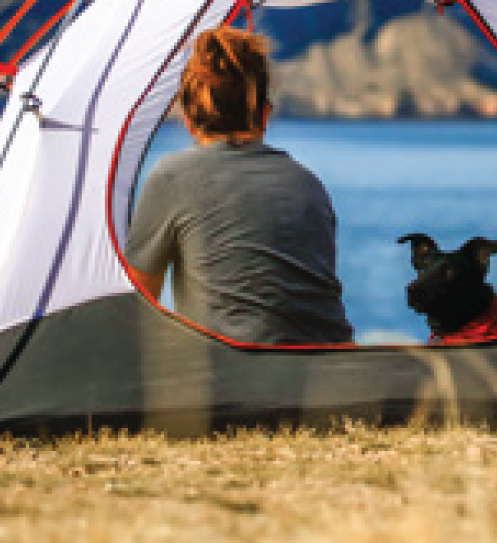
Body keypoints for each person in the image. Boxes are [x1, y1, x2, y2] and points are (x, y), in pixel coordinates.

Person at [125, 27, 354, 345]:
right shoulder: (308, 185)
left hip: (234, 381)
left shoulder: (171, 178)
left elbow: (138, 307)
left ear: (189, 118)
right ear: (265, 115)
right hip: (334, 375)